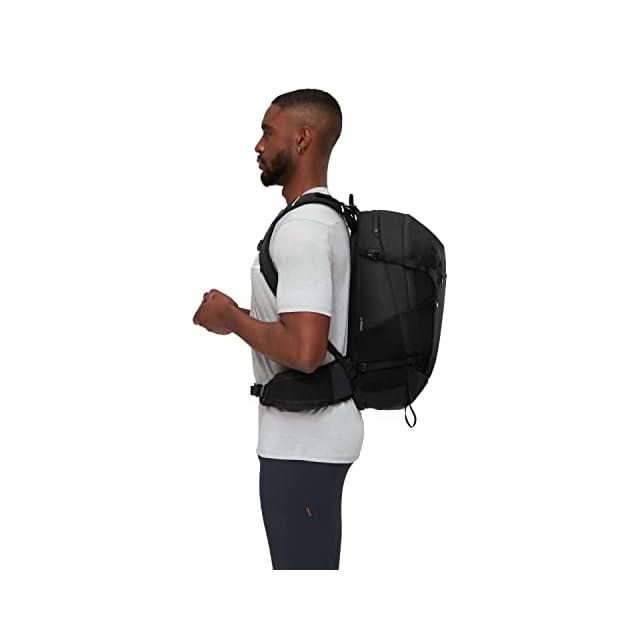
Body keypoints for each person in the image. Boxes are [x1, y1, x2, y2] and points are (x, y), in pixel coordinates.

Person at [192, 89, 364, 569]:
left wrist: (232, 318)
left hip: (304, 445)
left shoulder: (303, 230)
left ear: (302, 139)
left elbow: (306, 350)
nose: (258, 144)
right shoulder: (322, 220)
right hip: (310, 440)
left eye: (268, 131)